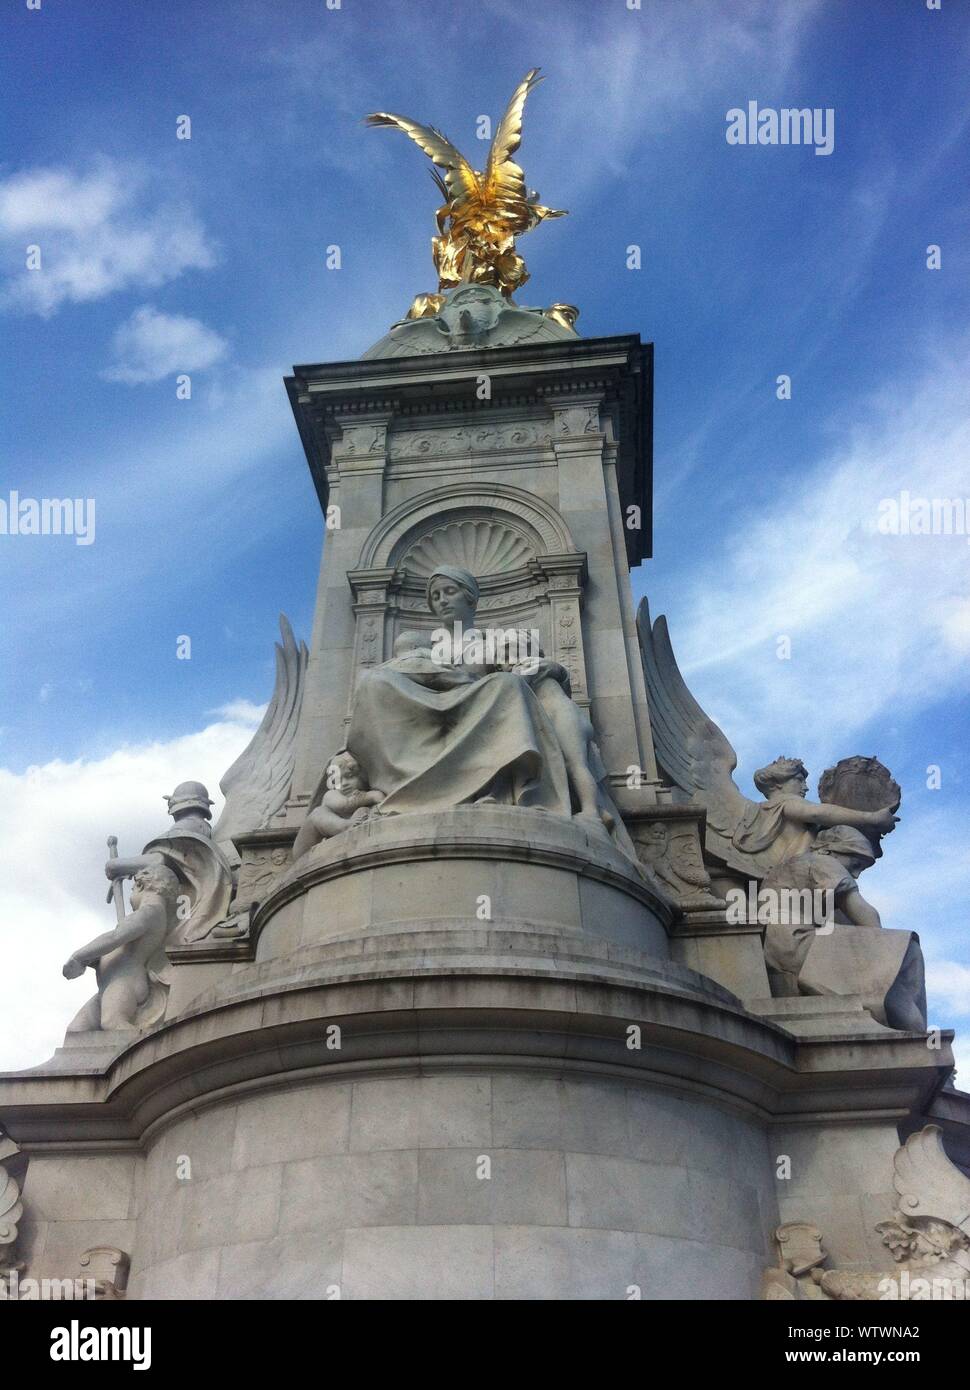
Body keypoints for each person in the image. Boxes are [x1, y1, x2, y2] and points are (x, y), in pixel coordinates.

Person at [346, 565, 635, 855]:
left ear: (470, 598)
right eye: (435, 596)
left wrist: (551, 668)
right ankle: (405, 787)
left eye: (450, 591)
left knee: (506, 685)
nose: (442, 600)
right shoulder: (423, 648)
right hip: (434, 714)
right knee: (373, 681)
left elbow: (532, 672)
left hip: (479, 707)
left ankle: (484, 786)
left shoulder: (494, 641)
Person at [63, 865, 179, 1032]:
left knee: (112, 1023)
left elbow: (116, 937)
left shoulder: (151, 911)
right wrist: (95, 959)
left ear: (141, 885)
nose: (131, 900)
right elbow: (118, 945)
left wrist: (78, 956)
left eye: (132, 890)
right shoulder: (149, 913)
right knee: (76, 1030)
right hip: (109, 984)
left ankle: (150, 1049)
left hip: (125, 981)